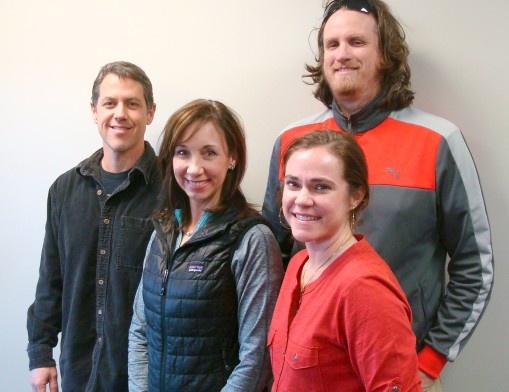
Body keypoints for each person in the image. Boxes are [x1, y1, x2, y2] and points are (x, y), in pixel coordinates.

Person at [262, 0, 494, 390]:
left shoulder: (438, 142)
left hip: (400, 370)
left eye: (356, 42)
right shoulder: (293, 142)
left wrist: (431, 359)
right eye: (332, 44)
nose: (342, 54)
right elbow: (273, 253)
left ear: (385, 53)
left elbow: (475, 264)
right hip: (311, 371)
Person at [128, 99, 284, 392]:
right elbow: (139, 331)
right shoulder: (162, 231)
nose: (194, 168)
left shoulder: (252, 240)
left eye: (209, 153)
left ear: (232, 158)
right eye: (182, 153)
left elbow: (257, 358)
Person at [27, 61, 161, 392]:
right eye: (110, 103)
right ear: (94, 111)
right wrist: (41, 353)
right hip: (78, 370)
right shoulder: (64, 190)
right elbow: (51, 279)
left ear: (150, 112)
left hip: (143, 377)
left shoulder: (172, 191)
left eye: (132, 103)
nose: (120, 113)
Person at [269, 130, 421, 391]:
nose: (302, 199)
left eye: (321, 187)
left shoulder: (364, 290)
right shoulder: (299, 264)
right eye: (293, 184)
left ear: (355, 196)